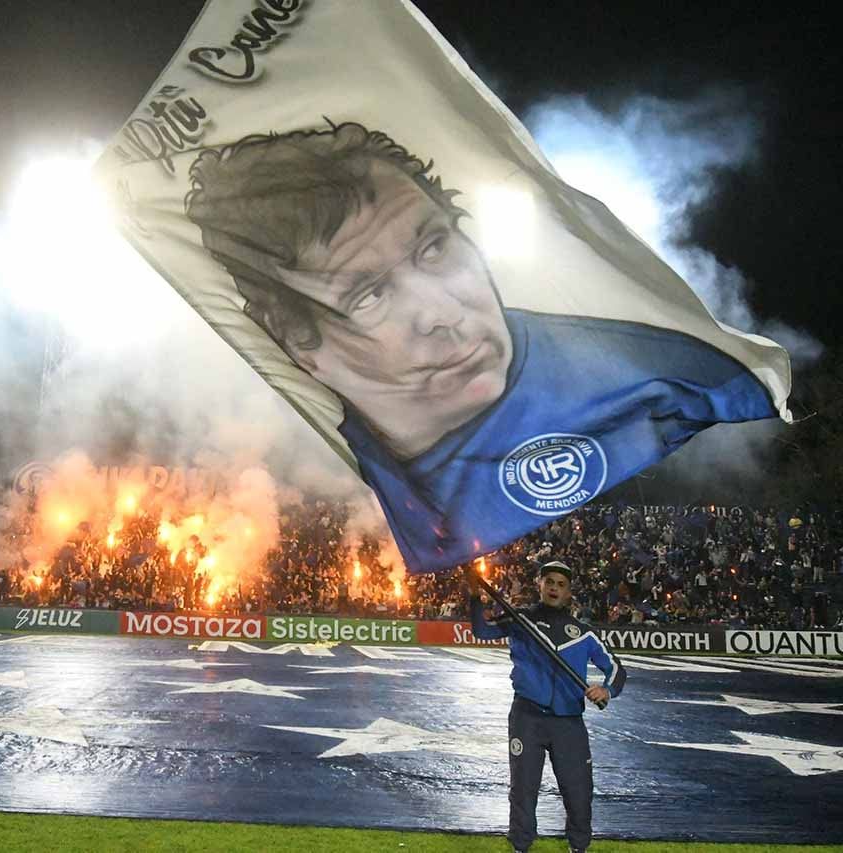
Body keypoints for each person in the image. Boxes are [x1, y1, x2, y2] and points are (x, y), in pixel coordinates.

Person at [184, 122, 777, 570]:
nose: (441, 314)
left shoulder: (658, 367)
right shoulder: (352, 451)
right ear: (299, 345)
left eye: (434, 248)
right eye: (368, 296)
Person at [469, 561, 627, 853]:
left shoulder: (583, 633)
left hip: (569, 723)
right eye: (549, 582)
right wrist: (474, 597)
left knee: (578, 791)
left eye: (561, 584)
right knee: (523, 789)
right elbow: (481, 630)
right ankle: (521, 846)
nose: (554, 588)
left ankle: (578, 847)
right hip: (526, 717)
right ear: (539, 585)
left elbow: (616, 668)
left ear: (569, 592)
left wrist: (607, 689)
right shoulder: (520, 620)